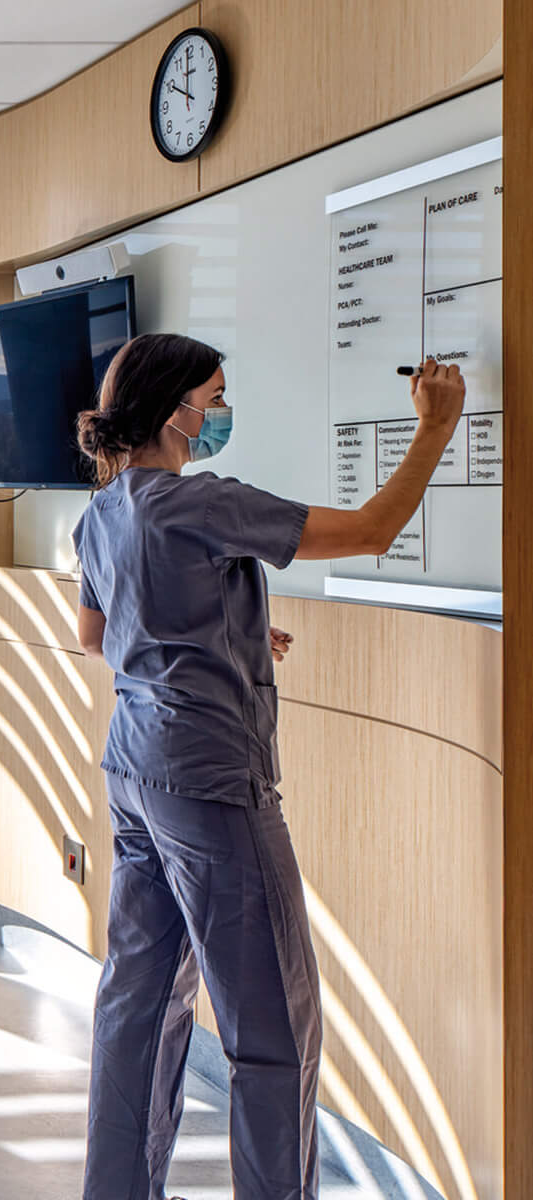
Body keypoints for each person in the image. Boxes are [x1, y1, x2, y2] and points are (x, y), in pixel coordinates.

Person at [70, 333, 465, 1200]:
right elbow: (369, 530)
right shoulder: (200, 503)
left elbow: (98, 637)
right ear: (173, 410)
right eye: (212, 397)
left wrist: (230, 633)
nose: (217, 414)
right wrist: (434, 429)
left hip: (134, 774)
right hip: (211, 782)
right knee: (272, 1034)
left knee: (138, 1011)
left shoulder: (100, 512)